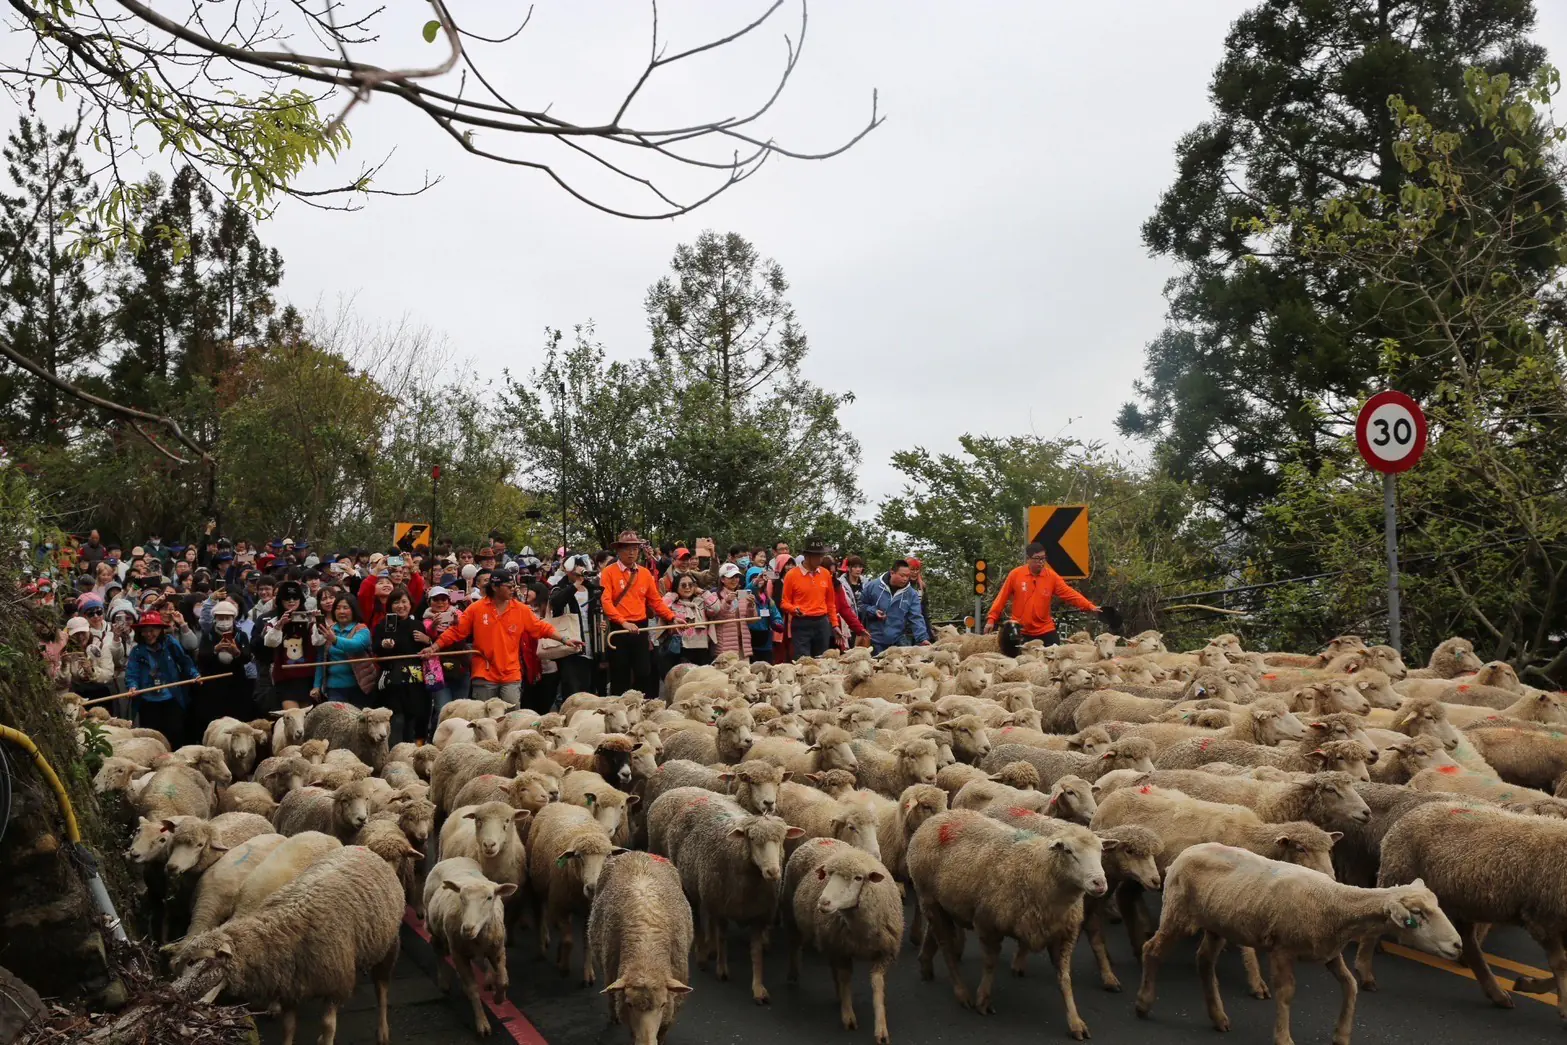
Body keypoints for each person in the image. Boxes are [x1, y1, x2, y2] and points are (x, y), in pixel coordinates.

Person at [424, 568, 578, 708]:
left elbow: (541, 627)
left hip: (511, 674)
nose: (513, 589)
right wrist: (434, 647)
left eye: (514, 586)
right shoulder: (476, 609)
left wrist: (565, 640)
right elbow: (456, 632)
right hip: (484, 674)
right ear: (495, 587)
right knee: (484, 720)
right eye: (509, 586)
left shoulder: (521, 609)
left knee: (511, 719)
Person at [598, 531, 678, 695]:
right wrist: (623, 622)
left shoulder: (645, 573)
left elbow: (656, 601)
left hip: (641, 628)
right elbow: (606, 601)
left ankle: (641, 706)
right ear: (619, 550)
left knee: (644, 673)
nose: (631, 552)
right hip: (619, 629)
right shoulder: (609, 572)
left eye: (635, 548)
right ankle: (618, 707)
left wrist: (672, 617)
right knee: (620, 674)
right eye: (627, 548)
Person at [984, 541, 1104, 645]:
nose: (1041, 562)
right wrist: (991, 619)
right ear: (1028, 559)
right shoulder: (1015, 575)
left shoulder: (1051, 577)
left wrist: (1089, 606)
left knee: (1056, 654)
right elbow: (1002, 597)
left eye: (1043, 558)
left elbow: (1070, 594)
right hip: (1020, 629)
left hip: (1044, 629)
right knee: (1013, 657)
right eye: (1037, 558)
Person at [124, 610, 199, 741]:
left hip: (171, 698)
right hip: (148, 701)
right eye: (145, 631)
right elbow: (132, 673)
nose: (148, 634)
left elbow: (185, 661)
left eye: (152, 630)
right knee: (152, 738)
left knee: (175, 734)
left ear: (160, 630)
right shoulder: (136, 651)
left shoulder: (170, 643)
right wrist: (132, 686)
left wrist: (194, 674)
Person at [191, 599, 258, 740]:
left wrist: (236, 652)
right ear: (215, 619)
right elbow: (201, 657)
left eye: (227, 618)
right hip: (213, 684)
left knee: (238, 718)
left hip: (236, 683)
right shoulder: (208, 635)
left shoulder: (241, 635)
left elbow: (247, 657)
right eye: (220, 618)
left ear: (233, 618)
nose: (224, 621)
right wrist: (215, 650)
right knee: (213, 720)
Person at [256, 580, 323, 709]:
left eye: (295, 597)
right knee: (292, 715)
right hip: (284, 678)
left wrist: (319, 621)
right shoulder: (274, 621)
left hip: (307, 677)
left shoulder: (309, 619)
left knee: (306, 715)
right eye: (287, 598)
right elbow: (269, 643)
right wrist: (279, 625)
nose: (291, 601)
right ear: (280, 601)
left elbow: (319, 641)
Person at [375, 587, 431, 741]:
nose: (401, 606)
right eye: (396, 602)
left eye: (404, 602)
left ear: (410, 604)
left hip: (415, 681)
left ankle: (412, 751)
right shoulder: (383, 625)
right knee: (396, 720)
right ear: (390, 606)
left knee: (413, 721)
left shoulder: (418, 625)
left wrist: (427, 640)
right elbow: (375, 648)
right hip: (392, 680)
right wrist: (384, 644)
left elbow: (427, 651)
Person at [548, 555, 601, 702]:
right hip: (570, 643)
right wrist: (575, 584)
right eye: (575, 569)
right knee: (572, 689)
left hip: (592, 643)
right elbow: (556, 603)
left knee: (590, 689)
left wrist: (602, 624)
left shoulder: (592, 589)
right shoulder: (559, 588)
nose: (579, 572)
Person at [781, 538, 838, 658]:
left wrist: (835, 624)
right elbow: (784, 602)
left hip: (822, 623)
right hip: (802, 623)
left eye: (822, 555)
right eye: (817, 556)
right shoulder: (791, 575)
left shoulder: (825, 574)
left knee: (822, 659)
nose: (820, 559)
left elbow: (830, 602)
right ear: (807, 556)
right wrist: (794, 609)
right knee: (803, 661)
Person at [313, 595, 373, 705]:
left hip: (360, 687)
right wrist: (316, 686)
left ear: (353, 610)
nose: (341, 611)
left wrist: (334, 639)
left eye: (345, 608)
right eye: (338, 608)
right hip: (334, 688)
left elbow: (356, 645)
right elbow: (321, 660)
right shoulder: (329, 630)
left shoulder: (361, 628)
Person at [860, 559, 931, 653]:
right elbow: (860, 605)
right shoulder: (873, 586)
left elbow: (916, 617)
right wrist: (873, 611)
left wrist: (922, 638)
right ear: (892, 572)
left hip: (898, 641)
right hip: (874, 641)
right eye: (902, 575)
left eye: (907, 576)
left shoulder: (911, 594)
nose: (905, 579)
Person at [659, 573, 715, 676]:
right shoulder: (673, 602)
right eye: (683, 585)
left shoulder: (701, 601)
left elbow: (716, 608)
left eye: (691, 584)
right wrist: (673, 595)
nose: (688, 587)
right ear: (676, 587)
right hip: (678, 649)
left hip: (700, 648)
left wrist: (703, 592)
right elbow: (660, 608)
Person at [821, 554, 871, 649]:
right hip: (817, 627)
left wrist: (859, 629)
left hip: (836, 629)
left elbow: (844, 609)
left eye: (833, 573)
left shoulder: (837, 586)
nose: (830, 576)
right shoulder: (816, 585)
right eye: (828, 572)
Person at [709, 562, 757, 660]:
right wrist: (726, 602)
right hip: (725, 647)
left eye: (737, 577)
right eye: (731, 577)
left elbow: (752, 620)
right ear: (722, 579)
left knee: (745, 669)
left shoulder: (743, 594)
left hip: (744, 646)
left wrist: (751, 605)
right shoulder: (715, 596)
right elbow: (716, 617)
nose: (735, 580)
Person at [745, 566, 778, 664]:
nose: (759, 580)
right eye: (754, 578)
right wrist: (755, 582)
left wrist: (778, 622)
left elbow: (774, 612)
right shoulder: (746, 594)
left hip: (766, 636)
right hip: (751, 635)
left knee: (768, 663)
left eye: (761, 578)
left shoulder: (768, 598)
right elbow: (748, 589)